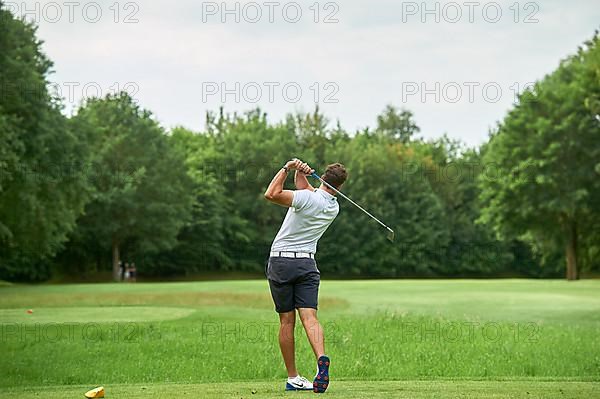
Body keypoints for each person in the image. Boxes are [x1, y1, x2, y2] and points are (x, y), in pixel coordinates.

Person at [264, 158, 347, 393]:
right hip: (307, 265)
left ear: (323, 179)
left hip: (281, 262)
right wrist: (303, 173)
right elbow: (307, 191)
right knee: (310, 319)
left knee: (286, 322)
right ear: (340, 187)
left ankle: (293, 377)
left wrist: (287, 168)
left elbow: (271, 194)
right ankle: (321, 357)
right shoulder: (332, 207)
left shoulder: (306, 199)